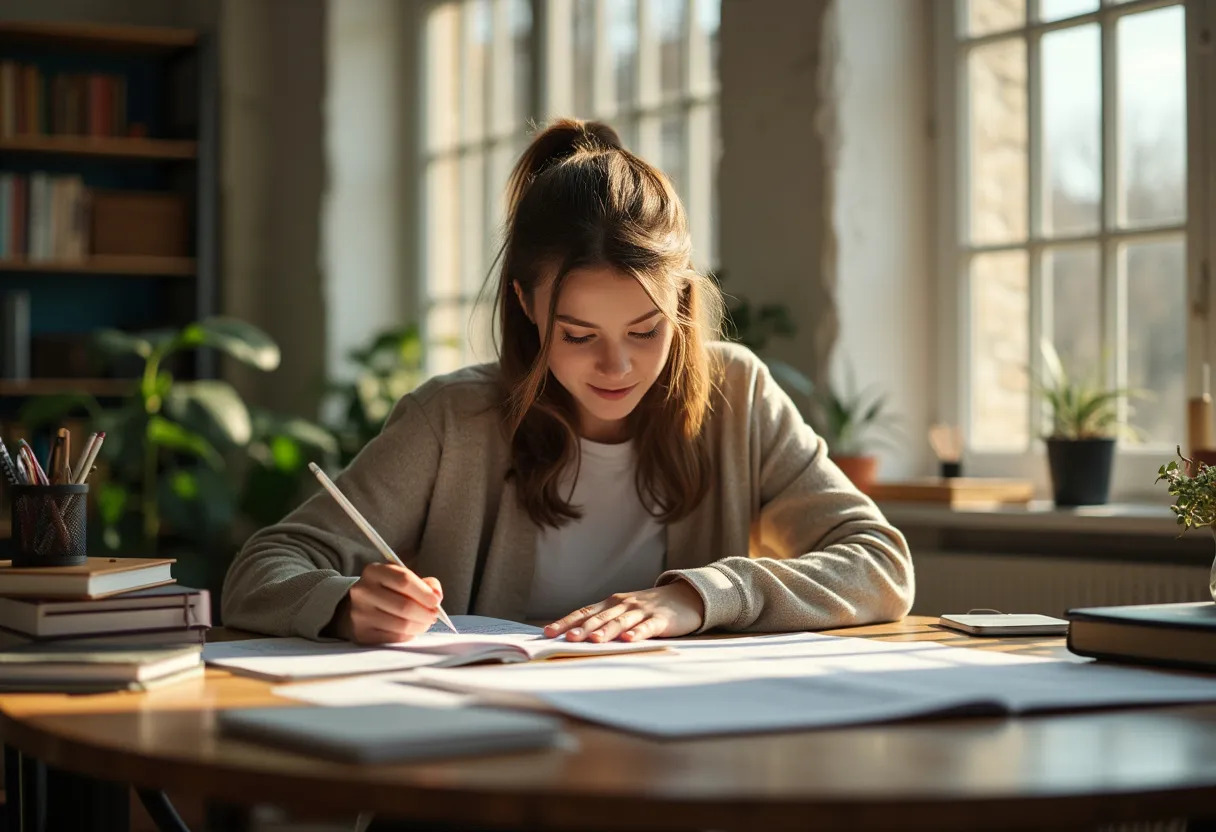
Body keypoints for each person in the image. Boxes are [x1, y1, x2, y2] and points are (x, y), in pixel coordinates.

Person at [222, 118, 913, 645]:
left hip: (680, 756)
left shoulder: (738, 395)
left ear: (680, 305)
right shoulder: (452, 421)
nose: (617, 368)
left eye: (645, 330)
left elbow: (880, 564)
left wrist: (696, 597)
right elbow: (263, 568)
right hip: (479, 764)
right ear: (526, 304)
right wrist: (347, 605)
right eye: (580, 336)